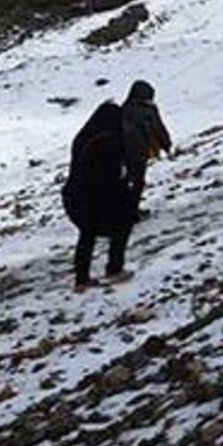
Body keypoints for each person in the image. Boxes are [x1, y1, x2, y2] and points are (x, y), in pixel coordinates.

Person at [61, 101, 137, 290]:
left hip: (75, 195)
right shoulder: (110, 141)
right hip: (97, 197)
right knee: (122, 228)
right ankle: (114, 269)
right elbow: (111, 177)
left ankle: (81, 279)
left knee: (87, 234)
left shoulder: (83, 137)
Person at [120, 80, 173, 215]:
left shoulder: (124, 109)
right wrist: (166, 145)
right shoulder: (148, 110)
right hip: (139, 151)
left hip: (125, 153)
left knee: (128, 182)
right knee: (137, 182)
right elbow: (158, 128)